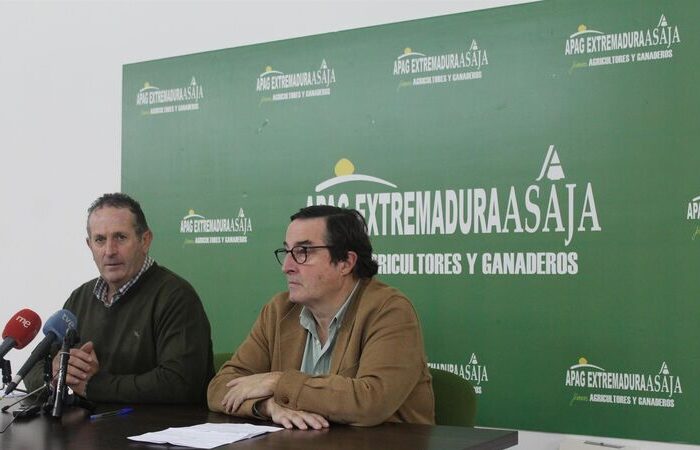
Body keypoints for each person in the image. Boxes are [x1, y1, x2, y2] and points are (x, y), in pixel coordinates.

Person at [207, 205, 434, 429]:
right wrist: (267, 406)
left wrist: (277, 382)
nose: (286, 267)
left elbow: (371, 402)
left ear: (346, 262)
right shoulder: (279, 310)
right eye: (287, 252)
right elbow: (220, 387)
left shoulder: (389, 310)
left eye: (303, 252)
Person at [25, 193, 213, 403]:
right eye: (100, 240)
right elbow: (32, 367)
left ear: (145, 241)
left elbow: (179, 383)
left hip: (157, 423)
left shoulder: (176, 296)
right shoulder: (80, 297)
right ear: (89, 246)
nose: (109, 251)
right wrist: (55, 375)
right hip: (89, 422)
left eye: (120, 238)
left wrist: (94, 385)